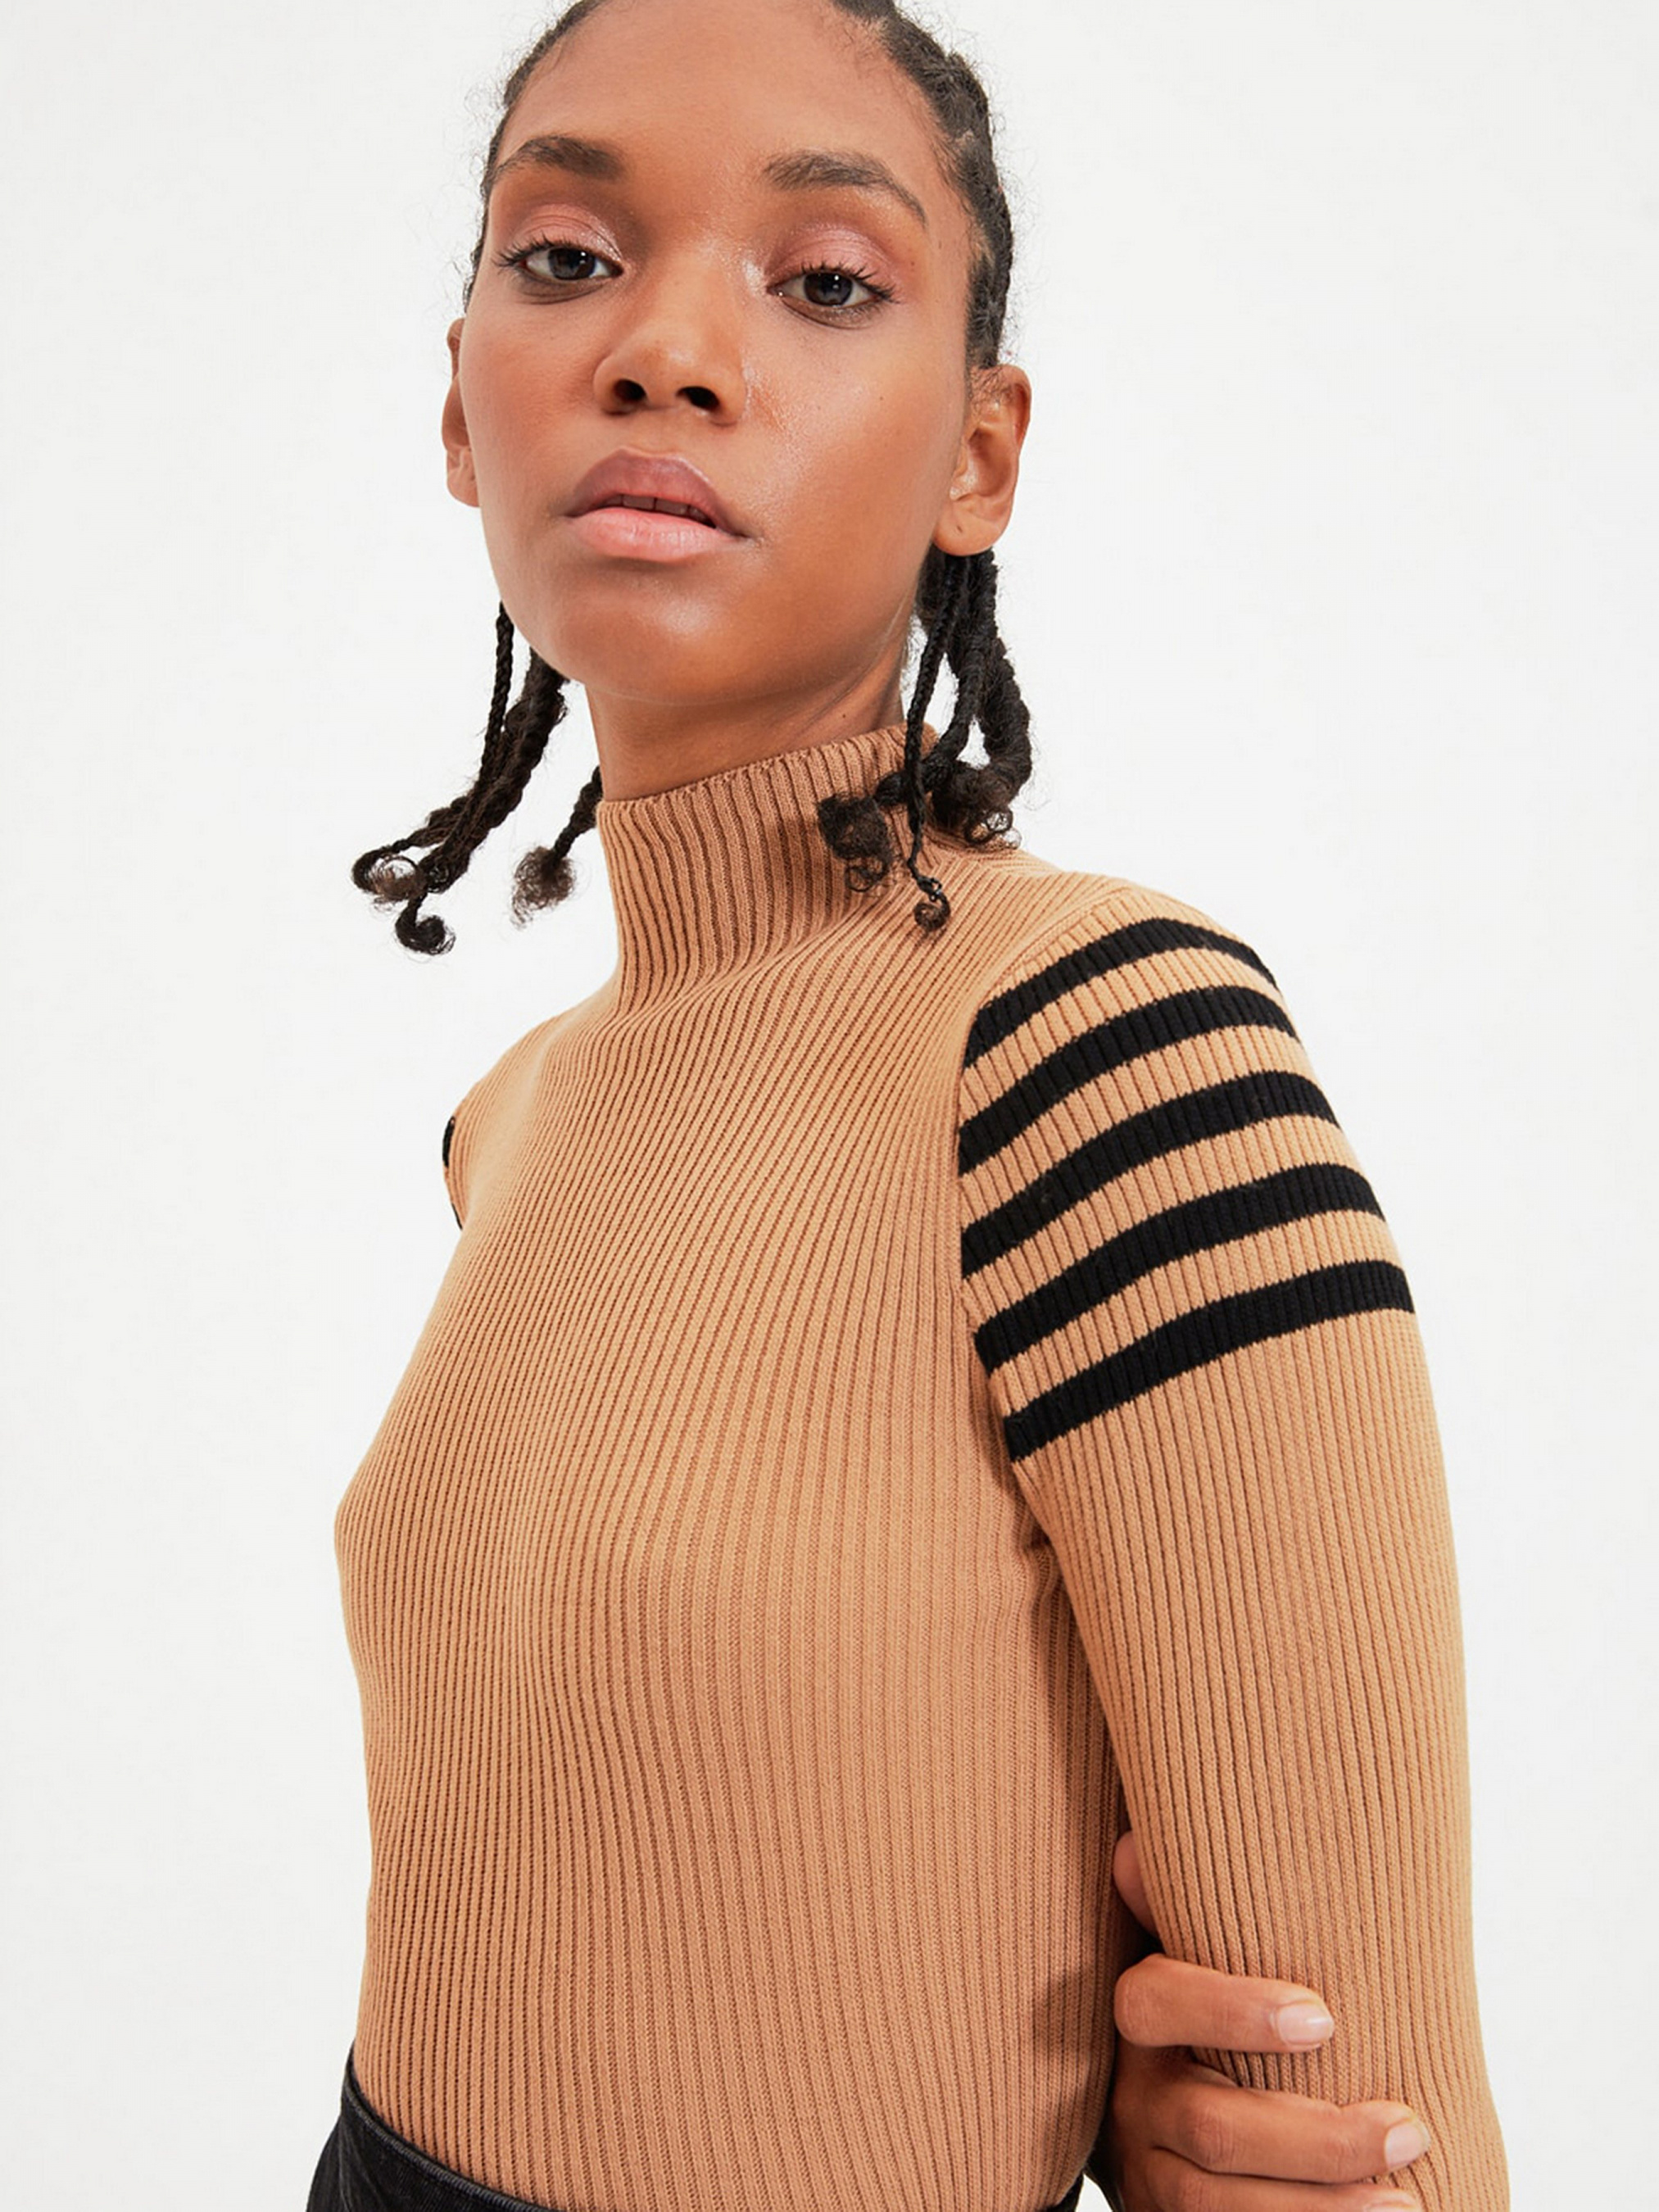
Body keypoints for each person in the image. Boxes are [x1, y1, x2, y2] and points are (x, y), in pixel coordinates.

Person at [307, 2, 1510, 2208]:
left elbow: (1374, 2121)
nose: (665, 352)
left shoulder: (1100, 1040)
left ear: (979, 453)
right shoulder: (517, 1110)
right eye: (565, 257)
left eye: (825, 280)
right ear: (462, 400)